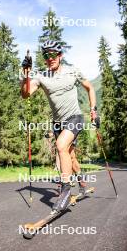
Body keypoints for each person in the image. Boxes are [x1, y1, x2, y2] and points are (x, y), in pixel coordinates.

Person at [21, 40, 98, 212]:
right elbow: (25, 94)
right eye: (46, 55)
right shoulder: (41, 77)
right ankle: (82, 183)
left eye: (53, 54)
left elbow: (90, 88)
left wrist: (94, 110)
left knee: (61, 146)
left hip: (75, 117)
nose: (50, 58)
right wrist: (25, 74)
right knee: (69, 155)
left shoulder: (72, 71)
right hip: (58, 124)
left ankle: (65, 190)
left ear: (60, 55)